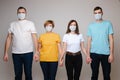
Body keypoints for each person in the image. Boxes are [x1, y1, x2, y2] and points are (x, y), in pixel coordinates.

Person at [3, 6, 39, 80]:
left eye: (23, 12)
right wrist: (6, 52)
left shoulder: (30, 23)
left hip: (28, 53)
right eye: (19, 12)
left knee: (28, 74)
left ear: (26, 13)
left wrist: (36, 52)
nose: (21, 14)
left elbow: (35, 38)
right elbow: (9, 38)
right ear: (17, 14)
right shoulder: (12, 24)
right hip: (16, 53)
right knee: (18, 75)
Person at [87, 6, 114, 80]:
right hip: (93, 53)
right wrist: (87, 55)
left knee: (106, 75)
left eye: (99, 12)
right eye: (95, 13)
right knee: (94, 75)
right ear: (93, 14)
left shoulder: (108, 24)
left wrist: (111, 54)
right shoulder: (91, 26)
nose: (97, 14)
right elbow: (89, 41)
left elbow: (111, 39)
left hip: (106, 53)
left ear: (102, 13)